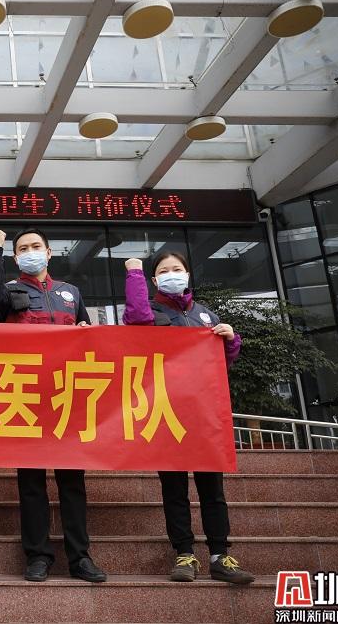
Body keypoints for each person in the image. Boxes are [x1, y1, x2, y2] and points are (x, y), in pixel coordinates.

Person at [0, 227, 107, 584]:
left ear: (49, 253)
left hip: (67, 398)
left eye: (36, 246)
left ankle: (80, 557)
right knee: (32, 484)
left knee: (72, 483)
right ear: (15, 256)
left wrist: (84, 328)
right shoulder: (9, 291)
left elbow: (85, 333)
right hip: (27, 399)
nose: (30, 252)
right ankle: (37, 556)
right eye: (23, 249)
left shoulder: (70, 292)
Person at [122, 251, 255, 585]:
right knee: (174, 489)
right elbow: (136, 319)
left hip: (204, 416)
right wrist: (134, 274)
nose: (172, 274)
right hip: (166, 412)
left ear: (187, 274)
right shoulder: (150, 311)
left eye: (177, 269)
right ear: (154, 280)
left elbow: (221, 364)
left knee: (213, 490)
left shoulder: (205, 315)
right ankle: (184, 554)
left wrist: (232, 340)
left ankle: (220, 555)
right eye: (164, 271)